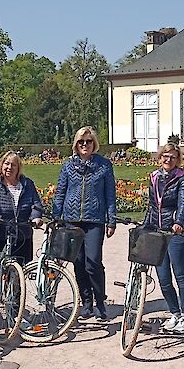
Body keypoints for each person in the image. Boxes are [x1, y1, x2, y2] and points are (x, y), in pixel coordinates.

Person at [53, 126, 117, 321]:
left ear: (94, 144)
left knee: (93, 262)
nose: (84, 145)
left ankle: (100, 301)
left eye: (88, 141)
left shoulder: (104, 166)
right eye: (81, 142)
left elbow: (110, 195)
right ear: (76, 144)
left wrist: (111, 219)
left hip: (94, 220)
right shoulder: (68, 166)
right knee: (78, 263)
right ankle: (86, 302)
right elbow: (60, 192)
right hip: (72, 220)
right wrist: (57, 217)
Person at [144, 143, 184, 334]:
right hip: (158, 233)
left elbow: (183, 203)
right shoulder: (154, 177)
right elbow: (152, 205)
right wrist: (145, 225)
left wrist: (179, 221)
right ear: (159, 157)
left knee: (180, 275)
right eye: (165, 156)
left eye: (172, 157)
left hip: (175, 233)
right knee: (163, 278)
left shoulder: (182, 178)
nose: (168, 160)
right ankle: (175, 313)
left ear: (178, 160)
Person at [0, 152, 44, 266]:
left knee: (20, 272)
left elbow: (36, 204)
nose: (9, 167)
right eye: (6, 164)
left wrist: (36, 217)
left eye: (13, 165)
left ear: (18, 168)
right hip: (0, 233)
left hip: (22, 234)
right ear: (1, 165)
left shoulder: (27, 184)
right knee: (1, 270)